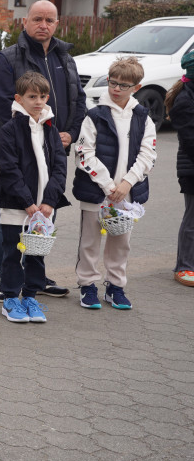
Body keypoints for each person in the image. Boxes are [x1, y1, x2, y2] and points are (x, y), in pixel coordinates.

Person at [0, 0, 86, 300]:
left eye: (50, 20)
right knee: (14, 216)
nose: (44, 25)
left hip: (56, 144)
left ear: (57, 24)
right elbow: (5, 107)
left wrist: (68, 133)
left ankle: (35, 276)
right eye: (38, 19)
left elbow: (79, 99)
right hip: (21, 151)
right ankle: (4, 277)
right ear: (25, 22)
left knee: (45, 210)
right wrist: (35, 136)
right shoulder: (7, 59)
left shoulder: (65, 58)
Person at [72, 57, 156, 309]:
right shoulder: (94, 116)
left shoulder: (143, 117)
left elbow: (148, 154)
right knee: (89, 242)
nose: (116, 89)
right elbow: (84, 153)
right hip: (97, 192)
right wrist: (109, 186)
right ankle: (87, 285)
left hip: (126, 195)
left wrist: (127, 184)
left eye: (124, 85)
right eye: (113, 83)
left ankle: (115, 287)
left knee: (121, 243)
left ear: (136, 88)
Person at [0, 72, 70, 324]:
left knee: (37, 254)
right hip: (18, 205)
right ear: (19, 98)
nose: (38, 101)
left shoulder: (51, 128)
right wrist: (28, 202)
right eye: (31, 96)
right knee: (12, 252)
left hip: (44, 208)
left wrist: (49, 201)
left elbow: (60, 167)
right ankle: (10, 299)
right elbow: (9, 169)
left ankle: (30, 296)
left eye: (42, 96)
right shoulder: (9, 130)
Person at [165, 50, 194, 287]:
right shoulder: (185, 100)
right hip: (191, 167)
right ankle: (184, 266)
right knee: (192, 218)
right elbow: (190, 140)